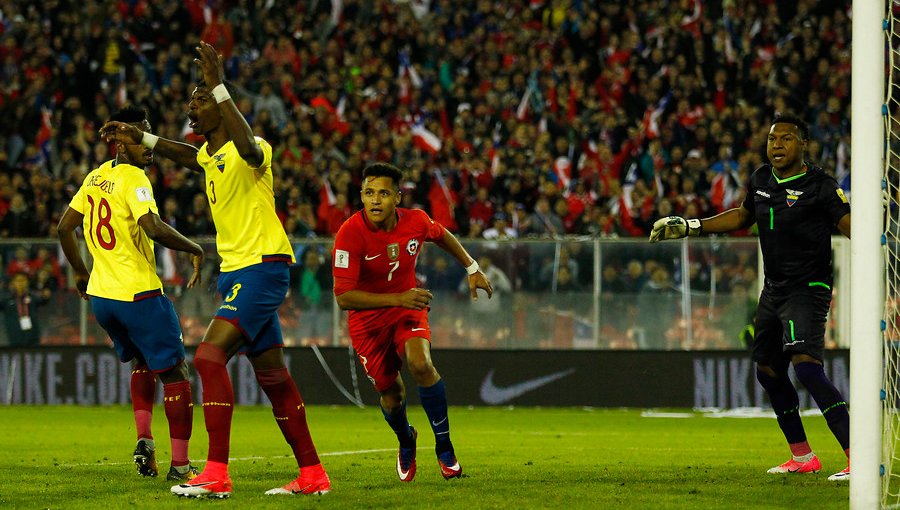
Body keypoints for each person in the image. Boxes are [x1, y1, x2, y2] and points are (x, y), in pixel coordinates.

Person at [100, 42, 330, 499]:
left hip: (261, 268)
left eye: (199, 100)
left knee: (206, 358)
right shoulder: (208, 154)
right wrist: (138, 136)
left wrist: (220, 85)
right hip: (237, 271)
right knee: (273, 377)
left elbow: (246, 146)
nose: (191, 107)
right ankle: (313, 474)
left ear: (222, 106)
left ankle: (217, 472)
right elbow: (185, 155)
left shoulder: (254, 146)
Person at [649, 113, 851, 482]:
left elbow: (849, 225)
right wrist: (690, 226)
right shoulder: (761, 178)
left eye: (786, 139)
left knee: (805, 366)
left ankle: (858, 457)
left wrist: (880, 241)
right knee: (769, 370)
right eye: (773, 139)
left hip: (808, 288)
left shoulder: (821, 186)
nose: (776, 145)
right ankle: (803, 456)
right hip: (773, 290)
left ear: (803, 144)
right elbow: (742, 217)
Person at [57, 105, 205, 482]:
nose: (147, 144)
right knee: (175, 373)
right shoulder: (135, 179)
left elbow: (64, 228)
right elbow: (152, 227)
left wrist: (80, 272)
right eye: (140, 136)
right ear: (122, 142)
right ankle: (182, 465)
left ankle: (144, 440)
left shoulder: (94, 177)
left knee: (142, 363)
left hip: (103, 299)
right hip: (138, 294)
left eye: (147, 134)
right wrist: (195, 248)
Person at [332, 162, 494, 482]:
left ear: (397, 198)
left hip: (408, 308)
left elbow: (441, 234)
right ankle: (407, 440)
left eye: (382, 193)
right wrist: (397, 298)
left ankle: (445, 449)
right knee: (391, 394)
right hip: (368, 322)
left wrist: (472, 267)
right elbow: (344, 297)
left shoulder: (416, 221)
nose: (375, 200)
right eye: (368, 193)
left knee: (420, 364)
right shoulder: (350, 233)